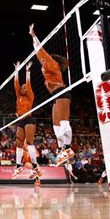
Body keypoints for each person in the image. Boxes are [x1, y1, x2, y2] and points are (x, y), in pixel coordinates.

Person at [29, 23, 75, 166]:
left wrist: (33, 35)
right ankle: (62, 150)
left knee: (63, 122)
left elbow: (39, 50)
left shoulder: (52, 65)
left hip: (62, 93)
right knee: (56, 125)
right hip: (56, 96)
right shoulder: (49, 69)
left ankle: (68, 149)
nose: (42, 66)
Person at [12, 61, 41, 180]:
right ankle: (18, 166)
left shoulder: (30, 96)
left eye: (25, 87)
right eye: (22, 87)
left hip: (29, 119)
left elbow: (28, 84)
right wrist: (17, 71)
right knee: (19, 144)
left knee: (29, 142)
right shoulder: (18, 96)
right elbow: (16, 83)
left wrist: (27, 71)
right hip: (21, 121)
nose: (23, 88)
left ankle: (35, 165)